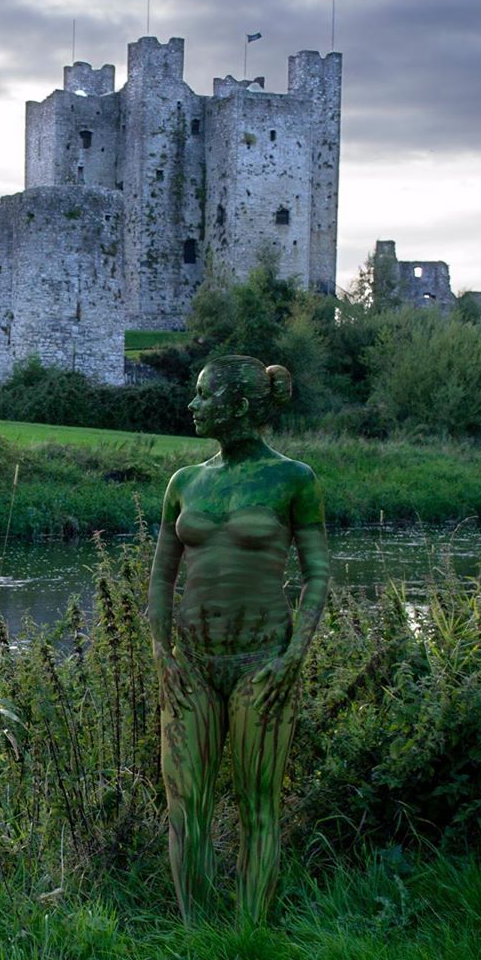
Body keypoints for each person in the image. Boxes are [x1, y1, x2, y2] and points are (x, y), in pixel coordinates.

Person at [147, 354, 328, 924]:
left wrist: (295, 656)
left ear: (241, 406)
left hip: (263, 665)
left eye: (204, 396)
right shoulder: (185, 482)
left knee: (258, 807)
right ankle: (198, 935)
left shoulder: (293, 479)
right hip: (192, 666)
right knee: (184, 806)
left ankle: (249, 934)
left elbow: (318, 573)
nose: (193, 405)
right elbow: (160, 576)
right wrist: (160, 654)